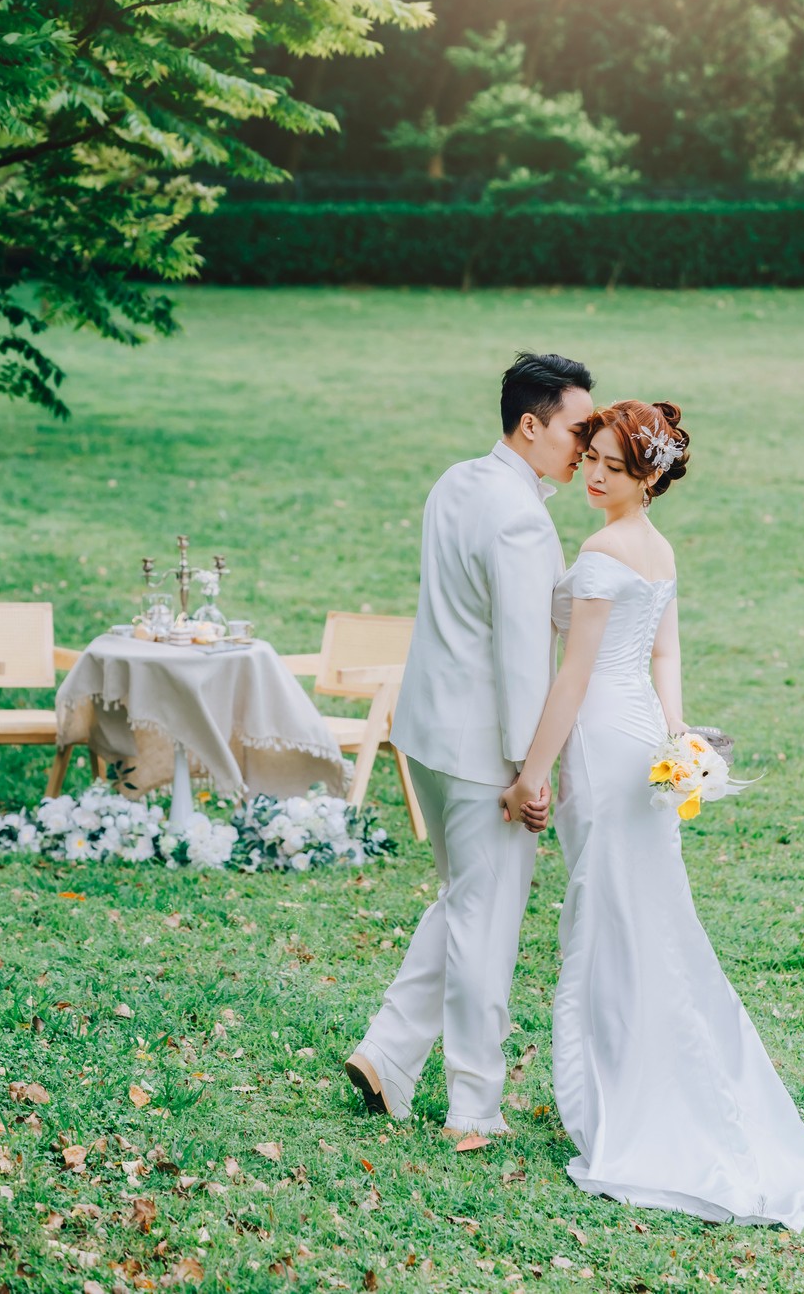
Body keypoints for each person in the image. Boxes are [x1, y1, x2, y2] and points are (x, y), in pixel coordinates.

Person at [501, 399, 804, 1234]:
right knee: (644, 910)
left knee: (614, 909)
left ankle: (634, 1097)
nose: (595, 476)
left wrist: (532, 775)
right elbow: (664, 653)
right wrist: (676, 737)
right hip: (639, 738)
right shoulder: (656, 549)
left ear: (650, 477)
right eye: (593, 459)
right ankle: (645, 1076)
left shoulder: (604, 551)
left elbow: (575, 676)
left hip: (600, 739)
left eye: (615, 468)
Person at [344, 352, 594, 1139]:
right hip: (487, 752)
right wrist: (529, 772)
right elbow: (522, 655)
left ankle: (386, 1055)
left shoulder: (457, 481)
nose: (587, 445)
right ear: (531, 426)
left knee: (465, 905)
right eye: (577, 429)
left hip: (427, 734)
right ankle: (474, 1106)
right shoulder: (521, 519)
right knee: (486, 927)